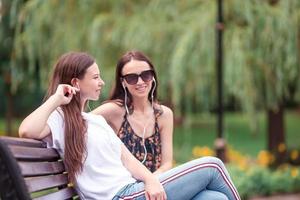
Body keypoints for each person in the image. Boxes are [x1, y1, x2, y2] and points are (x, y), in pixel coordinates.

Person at [19, 51, 240, 200]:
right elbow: (27, 130)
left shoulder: (94, 121)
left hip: (133, 191)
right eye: (95, 77)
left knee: (215, 198)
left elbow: (128, 160)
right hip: (120, 196)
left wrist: (151, 180)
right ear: (76, 83)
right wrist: (58, 97)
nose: (102, 82)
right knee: (214, 165)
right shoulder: (61, 118)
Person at [92, 51, 173, 175]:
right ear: (123, 82)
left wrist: (152, 181)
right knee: (209, 167)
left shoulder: (164, 114)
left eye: (146, 75)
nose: (140, 82)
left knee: (210, 193)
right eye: (132, 78)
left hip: (159, 187)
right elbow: (78, 121)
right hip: (127, 189)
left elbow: (167, 164)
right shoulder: (113, 110)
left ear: (153, 77)